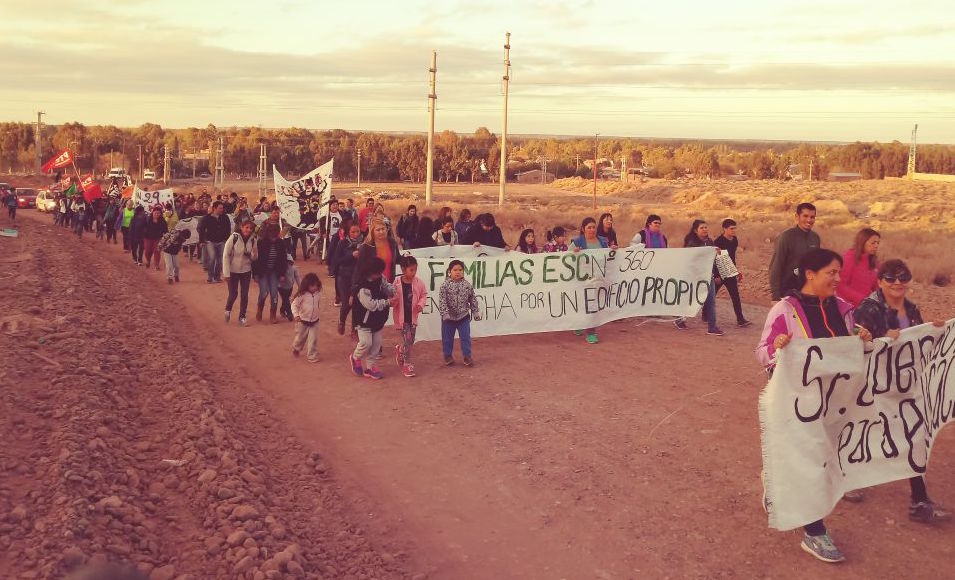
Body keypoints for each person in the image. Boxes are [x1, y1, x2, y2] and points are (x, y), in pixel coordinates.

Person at [756, 248, 872, 563]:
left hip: (834, 404)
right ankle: (815, 531)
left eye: (838, 272)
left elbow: (849, 351)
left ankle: (774, 483)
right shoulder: (784, 310)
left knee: (823, 455)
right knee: (809, 461)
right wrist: (777, 348)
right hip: (797, 403)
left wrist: (863, 340)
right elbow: (762, 352)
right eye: (831, 273)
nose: (837, 279)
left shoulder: (845, 310)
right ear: (810, 274)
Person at [851, 258, 950, 523]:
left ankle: (919, 501)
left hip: (905, 386)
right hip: (874, 387)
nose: (897, 283)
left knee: (913, 435)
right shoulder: (868, 309)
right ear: (880, 280)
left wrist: (937, 332)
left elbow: (918, 346)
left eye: (903, 277)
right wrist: (883, 337)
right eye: (891, 278)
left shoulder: (913, 309)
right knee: (868, 434)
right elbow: (855, 343)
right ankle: (847, 478)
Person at [350, 256, 395, 380]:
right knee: (366, 342)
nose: (379, 275)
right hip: (363, 320)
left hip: (378, 319)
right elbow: (370, 305)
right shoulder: (362, 286)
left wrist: (394, 291)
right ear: (369, 272)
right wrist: (387, 302)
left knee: (376, 344)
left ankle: (370, 367)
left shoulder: (380, 278)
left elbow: (387, 286)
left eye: (380, 273)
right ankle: (355, 357)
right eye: (377, 273)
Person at [677, 220, 724, 336]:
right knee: (688, 298)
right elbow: (691, 258)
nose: (705, 229)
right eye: (702, 228)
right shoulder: (691, 243)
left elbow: (713, 260)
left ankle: (712, 327)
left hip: (708, 276)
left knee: (711, 301)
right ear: (695, 230)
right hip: (694, 276)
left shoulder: (709, 242)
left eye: (706, 227)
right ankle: (679, 318)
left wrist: (716, 254)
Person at [569, 218, 610, 343]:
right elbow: (566, 256)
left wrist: (613, 250)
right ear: (583, 229)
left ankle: (588, 329)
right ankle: (585, 327)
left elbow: (607, 255)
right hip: (582, 278)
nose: (592, 230)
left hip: (597, 277)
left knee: (592, 304)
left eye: (593, 227)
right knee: (584, 303)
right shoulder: (577, 242)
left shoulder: (602, 241)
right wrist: (573, 252)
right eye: (589, 227)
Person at [769, 202, 821, 301]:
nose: (809, 220)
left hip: (807, 292)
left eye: (812, 217)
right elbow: (776, 266)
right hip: (787, 292)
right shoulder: (786, 237)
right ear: (797, 216)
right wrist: (775, 296)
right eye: (805, 216)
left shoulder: (815, 238)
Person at [391, 255, 428, 378]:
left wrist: (420, 304)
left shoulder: (419, 283)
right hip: (401, 318)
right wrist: (392, 300)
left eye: (415, 270)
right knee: (408, 339)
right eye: (411, 270)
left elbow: (424, 295)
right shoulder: (396, 282)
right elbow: (391, 295)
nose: (413, 272)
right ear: (403, 269)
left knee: (410, 340)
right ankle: (407, 364)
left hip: (412, 317)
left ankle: (400, 350)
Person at [439, 259, 481, 366]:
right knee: (447, 338)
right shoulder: (444, 285)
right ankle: (447, 356)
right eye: (455, 270)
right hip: (448, 319)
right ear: (450, 271)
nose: (457, 272)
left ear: (463, 271)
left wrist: (475, 311)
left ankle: (467, 356)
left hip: (463, 317)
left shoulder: (467, 285)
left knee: (465, 337)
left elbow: (472, 298)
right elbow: (442, 300)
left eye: (460, 270)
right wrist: (445, 313)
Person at [714, 219, 752, 328]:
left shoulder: (734, 240)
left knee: (735, 296)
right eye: (731, 228)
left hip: (730, 272)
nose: (734, 230)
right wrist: (716, 275)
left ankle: (740, 320)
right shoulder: (718, 242)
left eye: (735, 228)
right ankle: (705, 314)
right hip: (720, 272)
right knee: (712, 295)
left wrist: (735, 272)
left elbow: (732, 257)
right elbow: (715, 259)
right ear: (724, 229)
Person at [223, 220, 258, 326]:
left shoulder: (253, 240)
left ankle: (242, 317)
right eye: (246, 227)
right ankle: (228, 310)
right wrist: (226, 273)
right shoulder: (233, 238)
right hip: (233, 270)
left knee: (244, 294)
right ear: (242, 227)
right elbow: (225, 255)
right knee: (233, 294)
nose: (248, 230)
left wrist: (254, 254)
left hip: (246, 270)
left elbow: (254, 258)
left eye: (250, 228)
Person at [837, 228, 880, 307]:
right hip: (848, 307)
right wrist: (863, 299)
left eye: (878, 243)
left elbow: (877, 286)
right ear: (862, 242)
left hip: (866, 307)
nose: (876, 246)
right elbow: (840, 286)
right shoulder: (849, 258)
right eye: (873, 243)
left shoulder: (875, 262)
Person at [254, 223, 287, 324]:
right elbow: (255, 260)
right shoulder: (261, 243)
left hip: (274, 271)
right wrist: (255, 274)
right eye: (271, 234)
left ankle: (273, 313)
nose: (273, 237)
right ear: (267, 233)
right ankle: (260, 308)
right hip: (263, 271)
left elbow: (283, 260)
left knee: (274, 293)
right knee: (264, 292)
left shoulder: (281, 243)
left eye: (275, 234)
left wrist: (282, 274)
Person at [333, 223, 363, 334]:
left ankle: (354, 330)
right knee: (346, 303)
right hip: (344, 277)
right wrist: (351, 256)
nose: (356, 234)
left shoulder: (363, 243)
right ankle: (342, 320)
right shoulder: (342, 243)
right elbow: (337, 260)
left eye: (357, 232)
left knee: (357, 304)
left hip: (359, 277)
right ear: (348, 233)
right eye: (353, 232)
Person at [353, 218, 400, 287]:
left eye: (383, 229)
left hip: (389, 283)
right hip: (372, 286)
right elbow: (359, 269)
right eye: (378, 230)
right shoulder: (366, 247)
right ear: (372, 232)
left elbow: (397, 259)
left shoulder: (392, 243)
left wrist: (407, 258)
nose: (381, 232)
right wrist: (354, 289)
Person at [291, 272, 322, 363]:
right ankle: (296, 348)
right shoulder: (302, 295)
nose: (314, 288)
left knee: (313, 340)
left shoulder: (317, 293)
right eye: (312, 286)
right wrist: (296, 315)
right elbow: (294, 305)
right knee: (300, 339)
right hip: (302, 321)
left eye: (316, 285)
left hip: (314, 321)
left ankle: (312, 356)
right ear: (307, 285)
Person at [198, 201, 232, 283]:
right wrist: (201, 241)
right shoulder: (207, 218)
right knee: (212, 258)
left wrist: (227, 239)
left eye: (222, 208)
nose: (222, 210)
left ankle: (217, 277)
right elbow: (201, 229)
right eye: (220, 208)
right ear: (214, 208)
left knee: (221, 260)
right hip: (210, 241)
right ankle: (210, 277)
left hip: (222, 241)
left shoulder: (225, 217)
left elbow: (228, 229)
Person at [278, 254, 301, 322]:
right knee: (286, 299)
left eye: (289, 262)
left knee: (285, 299)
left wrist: (301, 286)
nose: (288, 264)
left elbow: (297, 277)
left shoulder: (294, 268)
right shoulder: (280, 268)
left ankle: (282, 310)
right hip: (281, 287)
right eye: (286, 262)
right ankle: (289, 314)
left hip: (290, 287)